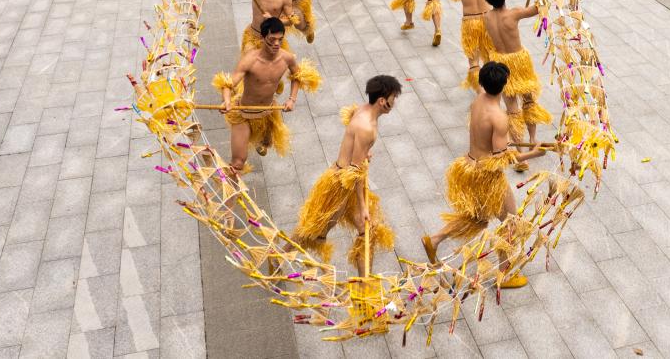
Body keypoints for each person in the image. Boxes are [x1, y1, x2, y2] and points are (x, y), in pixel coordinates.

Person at [419, 61, 548, 287]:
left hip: (470, 167)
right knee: (511, 221)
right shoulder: (499, 118)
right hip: (488, 177)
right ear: (505, 85)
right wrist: (533, 154)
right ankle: (505, 275)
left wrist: (504, 143)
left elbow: (491, 143)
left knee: (477, 218)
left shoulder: (478, 100)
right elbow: (500, 159)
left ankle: (435, 240)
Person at [290, 75, 401, 275]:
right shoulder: (367, 127)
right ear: (382, 101)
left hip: (343, 178)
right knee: (314, 230)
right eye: (393, 97)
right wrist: (363, 206)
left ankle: (365, 285)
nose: (395, 101)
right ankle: (279, 255)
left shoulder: (363, 110)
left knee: (367, 231)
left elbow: (353, 138)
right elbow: (354, 172)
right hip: (340, 186)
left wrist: (362, 151)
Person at [214, 17, 320, 168]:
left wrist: (292, 99)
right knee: (238, 161)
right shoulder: (250, 60)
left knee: (267, 143)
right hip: (244, 113)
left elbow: (298, 76)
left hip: (268, 112)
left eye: (280, 39)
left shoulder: (287, 58)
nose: (276, 43)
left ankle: (261, 141)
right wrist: (226, 101)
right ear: (263, 38)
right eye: (272, 39)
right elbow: (227, 83)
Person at [482, 0, 551, 173]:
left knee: (512, 111)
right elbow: (539, 7)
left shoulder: (487, 17)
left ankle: (520, 154)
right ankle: (533, 139)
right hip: (520, 62)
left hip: (501, 64)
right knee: (529, 102)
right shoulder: (514, 13)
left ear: (489, 0)